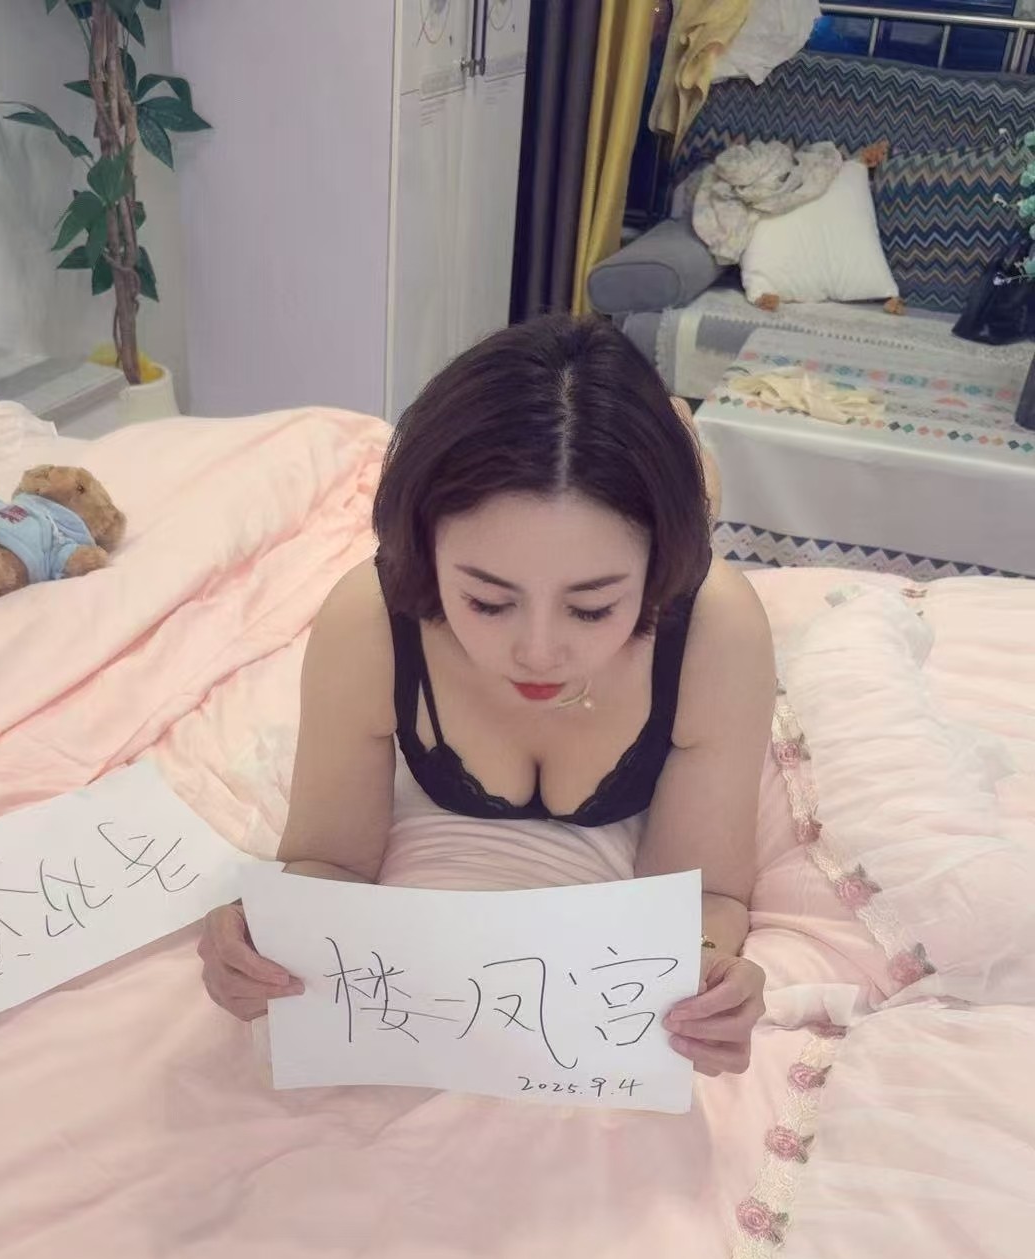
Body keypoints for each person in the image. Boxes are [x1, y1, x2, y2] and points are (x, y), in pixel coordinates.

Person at [199, 315, 774, 1077]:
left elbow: (701, 897)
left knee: (694, 488)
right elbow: (327, 860)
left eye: (592, 607)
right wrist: (268, 936)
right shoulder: (370, 620)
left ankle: (686, 450)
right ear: (423, 551)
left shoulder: (712, 630)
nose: (537, 652)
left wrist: (704, 972)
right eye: (488, 601)